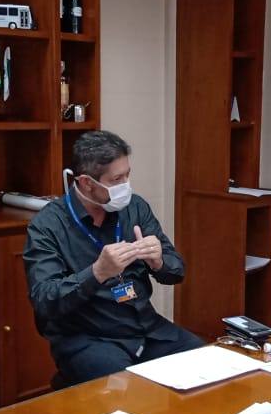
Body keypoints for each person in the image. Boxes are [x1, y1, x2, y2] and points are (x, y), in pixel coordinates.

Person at [25, 130, 203, 386]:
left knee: (204, 366)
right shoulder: (48, 225)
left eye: (127, 175)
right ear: (87, 183)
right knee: (127, 391)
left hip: (146, 328)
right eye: (117, 179)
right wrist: (97, 272)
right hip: (90, 338)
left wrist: (159, 261)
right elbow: (45, 300)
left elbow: (177, 272)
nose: (126, 186)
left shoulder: (135, 208)